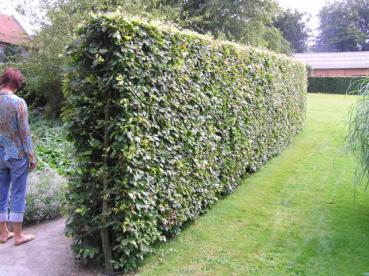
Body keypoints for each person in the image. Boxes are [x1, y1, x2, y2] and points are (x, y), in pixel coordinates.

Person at [0, 68, 36, 246]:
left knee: (1, 191)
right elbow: (25, 132)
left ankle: (3, 233)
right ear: (16, 84)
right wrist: (31, 156)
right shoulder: (18, 102)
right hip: (17, 154)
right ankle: (19, 235)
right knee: (18, 193)